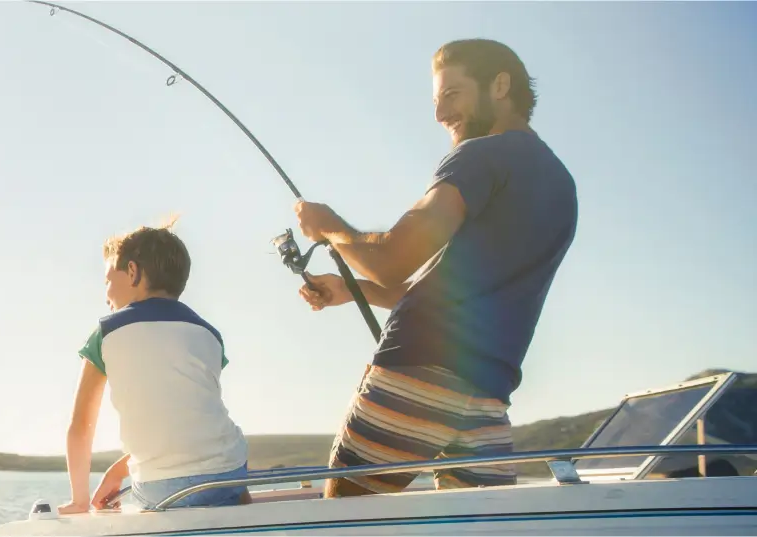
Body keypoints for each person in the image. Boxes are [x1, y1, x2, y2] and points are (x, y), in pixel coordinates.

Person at [292, 38, 578, 497]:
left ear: (500, 86)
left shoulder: (480, 157)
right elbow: (460, 288)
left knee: (347, 521)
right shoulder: (561, 185)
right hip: (487, 397)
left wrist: (328, 227)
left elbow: (391, 260)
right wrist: (351, 290)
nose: (440, 115)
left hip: (417, 372)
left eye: (451, 95)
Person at [58, 218, 251, 514]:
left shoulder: (106, 333)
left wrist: (80, 500)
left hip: (160, 486)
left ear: (132, 272)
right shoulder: (209, 334)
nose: (106, 293)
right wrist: (118, 470)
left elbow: (81, 427)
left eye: (108, 280)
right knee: (229, 483)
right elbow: (188, 422)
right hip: (229, 473)